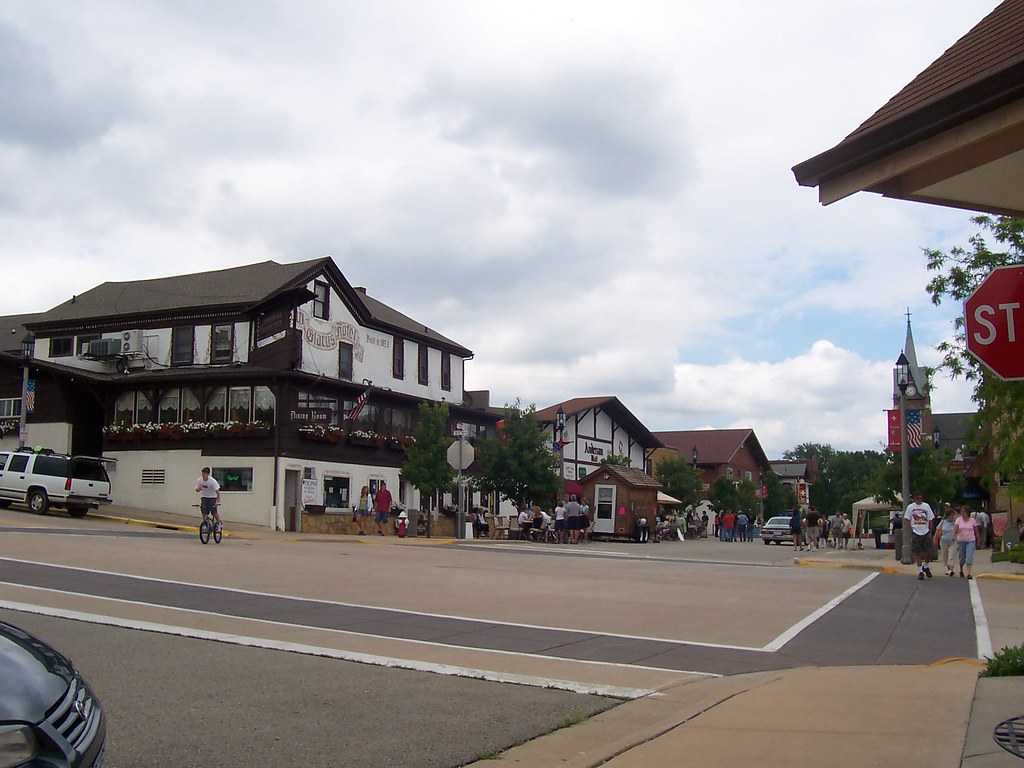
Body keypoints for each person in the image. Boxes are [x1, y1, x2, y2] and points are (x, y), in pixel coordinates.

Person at [905, 491, 936, 579]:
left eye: (921, 498)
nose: (919, 500)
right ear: (914, 499)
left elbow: (931, 518)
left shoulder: (926, 506)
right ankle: (920, 571)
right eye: (917, 498)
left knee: (929, 551)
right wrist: (910, 530)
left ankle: (925, 566)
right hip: (916, 531)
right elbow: (907, 519)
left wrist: (930, 530)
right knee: (917, 552)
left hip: (925, 531)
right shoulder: (910, 507)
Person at [954, 506, 980, 579]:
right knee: (962, 558)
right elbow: (955, 529)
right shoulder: (958, 520)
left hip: (970, 540)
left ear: (967, 513)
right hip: (961, 541)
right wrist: (953, 536)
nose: (962, 513)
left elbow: (976, 532)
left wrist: (978, 541)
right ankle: (961, 569)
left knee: (969, 557)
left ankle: (968, 573)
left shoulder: (972, 521)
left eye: (963, 511)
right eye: (961, 512)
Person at [933, 506, 957, 576]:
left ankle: (951, 569)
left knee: (951, 555)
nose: (953, 517)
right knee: (945, 555)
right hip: (944, 540)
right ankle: (948, 568)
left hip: (953, 541)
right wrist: (935, 539)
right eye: (952, 515)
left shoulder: (955, 522)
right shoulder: (943, 522)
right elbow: (937, 530)